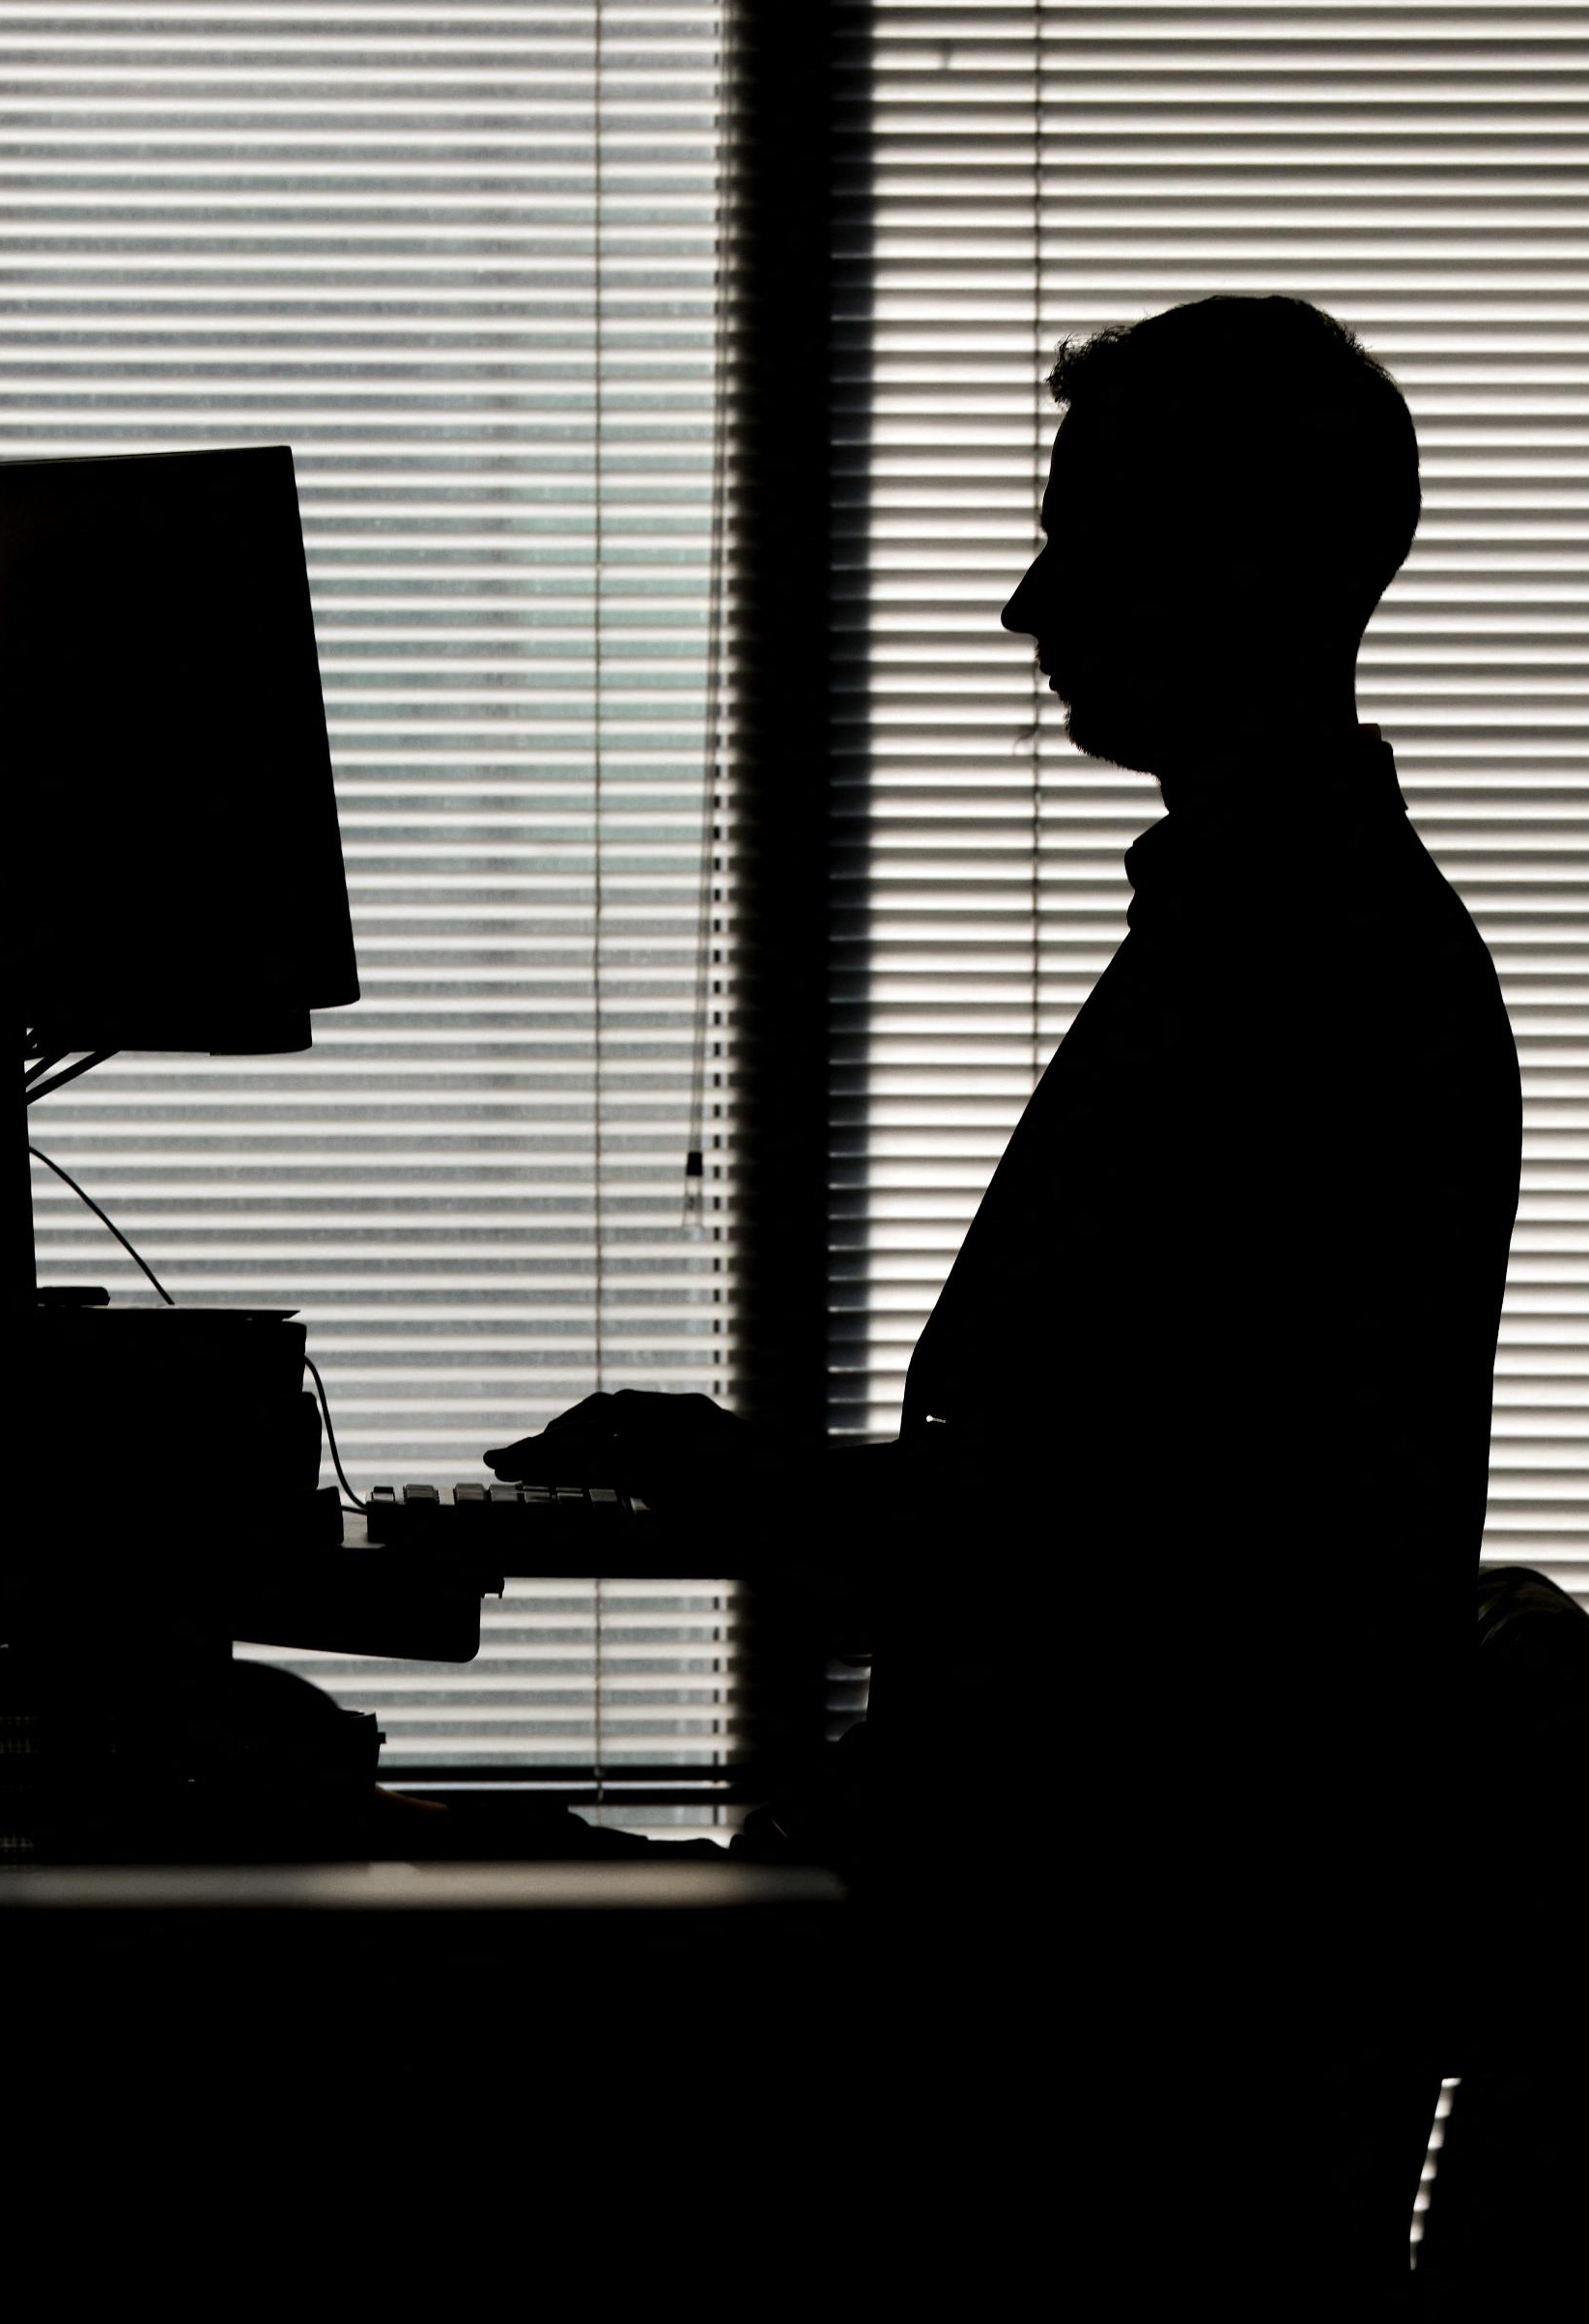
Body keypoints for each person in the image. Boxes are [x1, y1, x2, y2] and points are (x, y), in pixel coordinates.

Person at [493, 295, 1520, 2299]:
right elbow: (1113, 1487)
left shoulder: (1311, 982)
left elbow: (1146, 1544)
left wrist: (760, 1488)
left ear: (1245, 573)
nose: (1025, 608)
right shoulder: (1275, 933)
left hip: (1098, 2001)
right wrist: (764, 1483)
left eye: (1084, 543)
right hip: (1073, 1936)